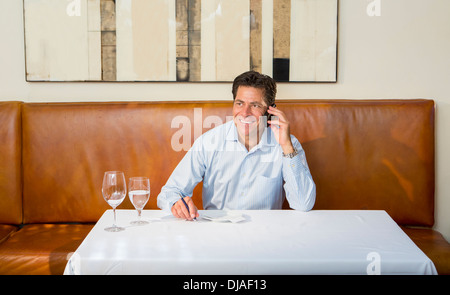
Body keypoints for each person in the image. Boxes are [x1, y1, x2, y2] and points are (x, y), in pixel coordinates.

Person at [157, 71, 315, 220]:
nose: (245, 113)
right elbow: (169, 192)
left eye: (255, 105)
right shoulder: (209, 142)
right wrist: (176, 203)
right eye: (240, 103)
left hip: (265, 234)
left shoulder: (288, 144)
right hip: (217, 233)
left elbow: (303, 204)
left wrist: (286, 146)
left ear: (270, 110)